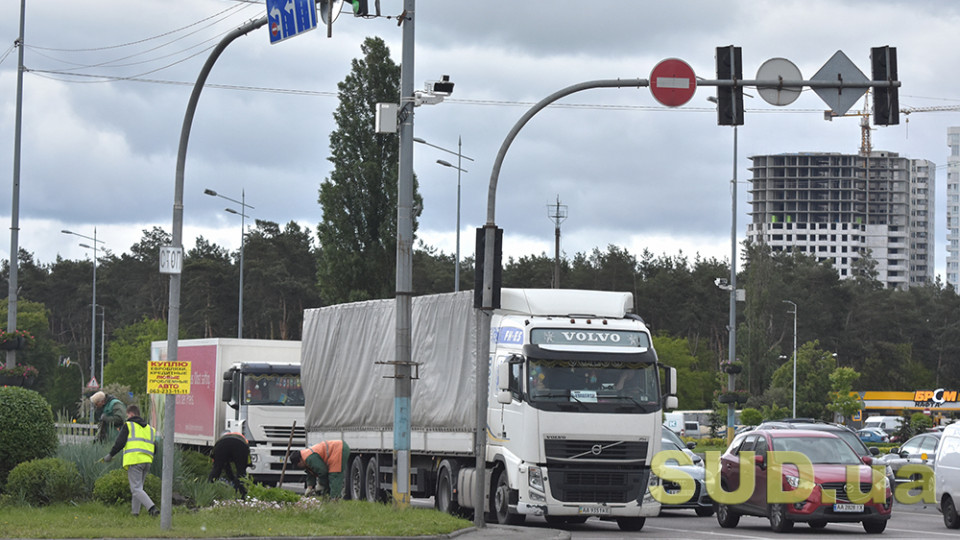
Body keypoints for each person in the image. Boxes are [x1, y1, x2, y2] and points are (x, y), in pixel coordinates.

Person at [102, 405, 159, 517]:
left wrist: (110, 455)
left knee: (136, 488)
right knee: (138, 489)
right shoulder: (150, 429)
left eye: (127, 415)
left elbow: (120, 443)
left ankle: (152, 508)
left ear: (131, 414)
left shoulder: (129, 425)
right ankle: (135, 513)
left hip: (135, 460)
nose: (126, 417)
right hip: (147, 461)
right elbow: (155, 448)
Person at [208, 431, 250, 497]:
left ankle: (209, 489)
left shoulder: (221, 440)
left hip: (221, 445)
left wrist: (232, 478)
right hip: (240, 445)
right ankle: (241, 494)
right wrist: (234, 479)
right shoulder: (244, 440)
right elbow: (246, 463)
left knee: (216, 469)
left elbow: (225, 466)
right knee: (241, 471)